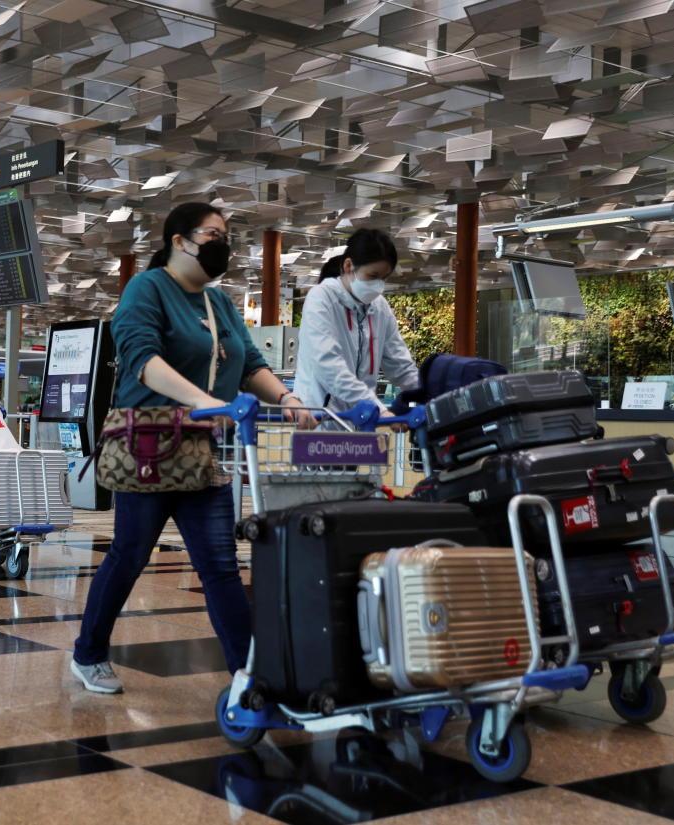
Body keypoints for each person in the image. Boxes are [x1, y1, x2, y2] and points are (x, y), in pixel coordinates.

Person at [70, 202, 315, 695]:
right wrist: (206, 402)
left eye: (225, 234)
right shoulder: (147, 288)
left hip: (201, 450)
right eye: (211, 234)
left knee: (221, 563)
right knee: (130, 554)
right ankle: (88, 652)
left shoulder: (218, 302)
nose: (221, 243)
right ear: (179, 241)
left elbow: (247, 363)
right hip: (149, 446)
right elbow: (142, 359)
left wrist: (287, 397)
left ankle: (251, 675)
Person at [293, 228, 419, 425]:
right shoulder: (322, 298)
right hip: (318, 421)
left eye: (384, 278)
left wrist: (428, 395)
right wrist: (377, 408)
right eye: (373, 275)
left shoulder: (380, 308)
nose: (379, 285)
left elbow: (400, 366)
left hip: (360, 424)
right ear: (349, 266)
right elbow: (329, 366)